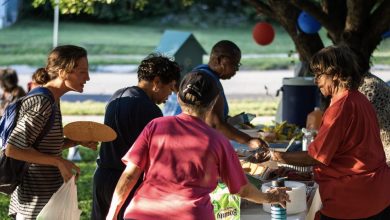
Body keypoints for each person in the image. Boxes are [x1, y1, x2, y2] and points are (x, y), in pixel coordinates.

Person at [106, 71, 290, 220]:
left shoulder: (156, 126)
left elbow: (129, 176)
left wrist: (112, 214)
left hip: (141, 212)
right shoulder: (218, 141)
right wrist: (270, 197)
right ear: (213, 104)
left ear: (178, 98)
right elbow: (242, 189)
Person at [265, 45, 390, 219]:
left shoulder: (341, 107)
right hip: (377, 192)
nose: (316, 81)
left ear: (336, 74)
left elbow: (315, 157)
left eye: (319, 75)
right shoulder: (358, 98)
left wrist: (274, 156)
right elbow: (347, 151)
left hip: (355, 198)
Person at [4, 45, 97, 219]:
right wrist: (59, 162)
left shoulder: (53, 99)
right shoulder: (42, 102)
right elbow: (13, 149)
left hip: (47, 199)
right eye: (82, 72)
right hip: (34, 205)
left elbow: (40, 145)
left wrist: (75, 141)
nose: (88, 77)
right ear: (63, 72)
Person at [91, 53, 181, 220]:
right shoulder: (151, 111)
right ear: (157, 82)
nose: (169, 96)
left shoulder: (118, 95)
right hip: (126, 182)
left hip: (102, 176)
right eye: (170, 88)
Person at [193, 40, 266, 149]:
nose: (236, 69)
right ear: (220, 60)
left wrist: (232, 120)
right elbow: (215, 124)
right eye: (234, 64)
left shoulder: (204, 74)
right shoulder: (206, 80)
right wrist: (249, 140)